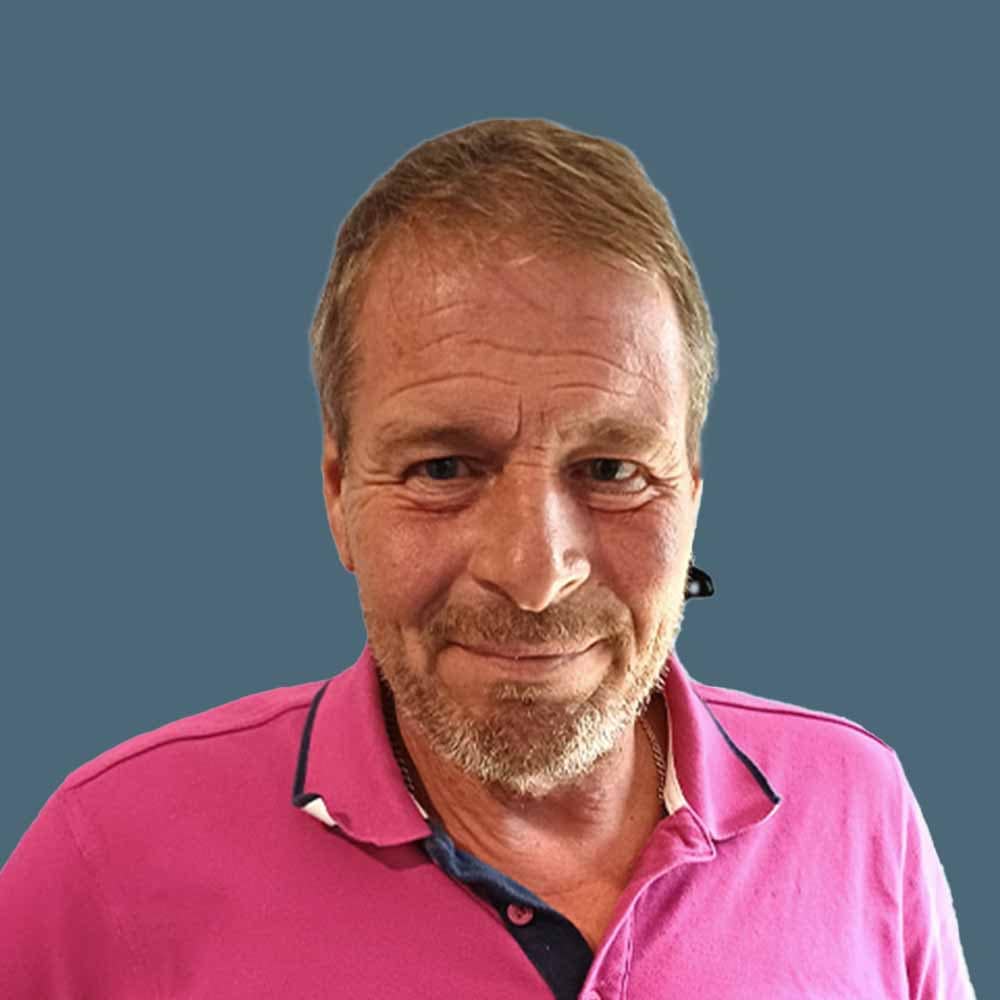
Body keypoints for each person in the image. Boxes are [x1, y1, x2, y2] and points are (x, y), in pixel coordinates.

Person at [0, 119, 974, 999]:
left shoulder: (859, 807)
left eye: (611, 469)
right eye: (443, 467)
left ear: (691, 493)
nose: (534, 572)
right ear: (338, 495)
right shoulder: (107, 856)